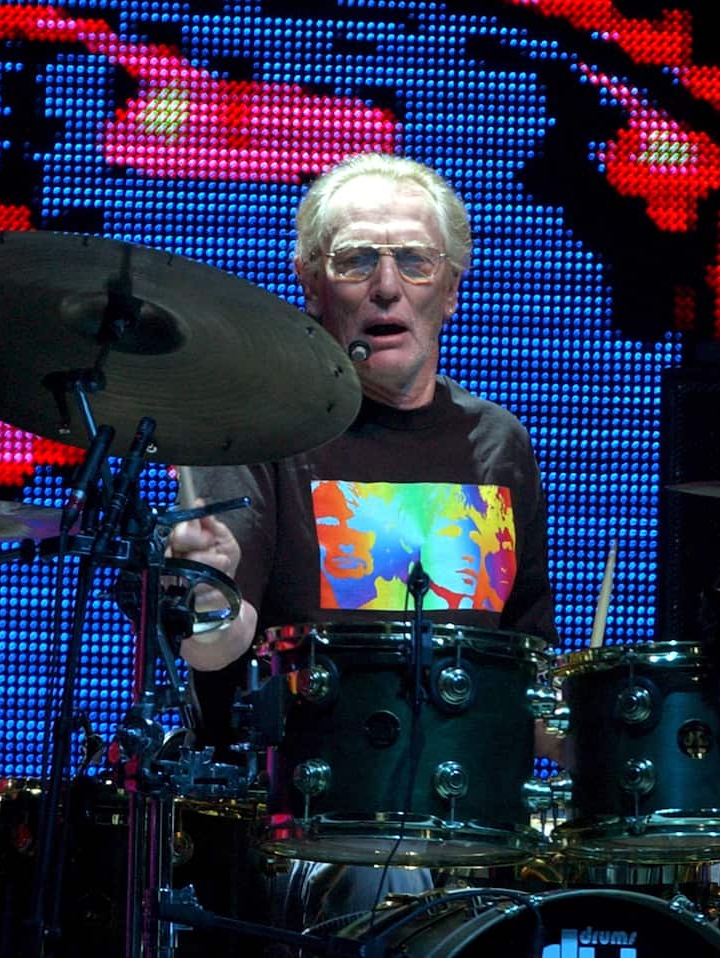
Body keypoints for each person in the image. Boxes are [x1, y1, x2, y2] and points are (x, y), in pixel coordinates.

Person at [167, 151, 559, 942]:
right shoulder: (259, 429)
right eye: (356, 261)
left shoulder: (497, 444)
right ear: (312, 284)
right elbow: (216, 652)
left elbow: (531, 676)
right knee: (391, 873)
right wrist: (205, 593)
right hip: (303, 827)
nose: (387, 286)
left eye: (414, 261)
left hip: (478, 819)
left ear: (450, 289)